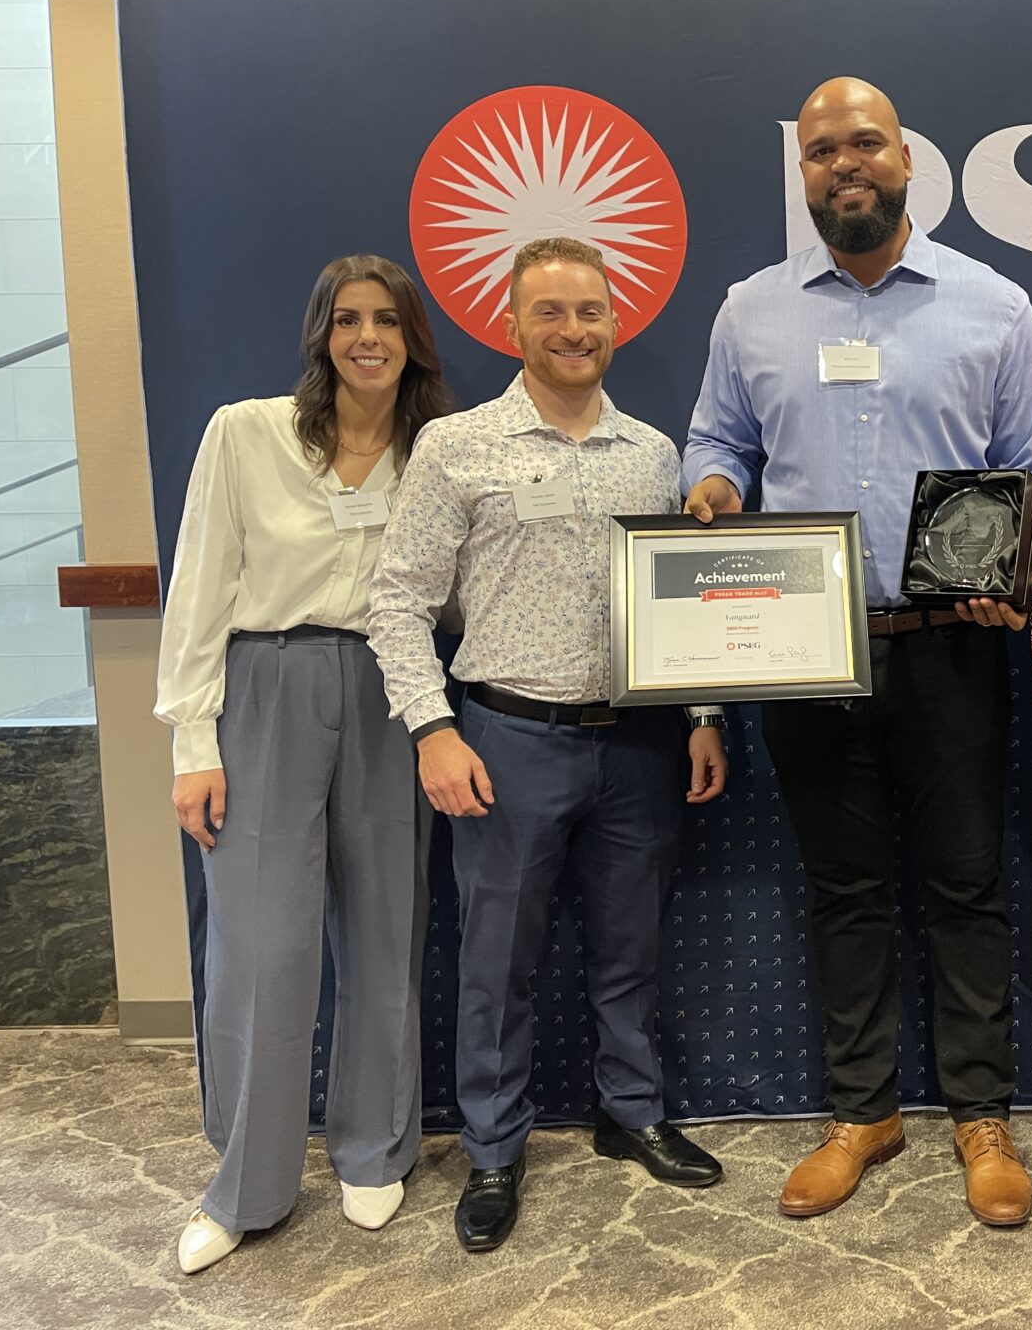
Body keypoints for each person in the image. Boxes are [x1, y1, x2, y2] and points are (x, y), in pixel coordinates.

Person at [682, 76, 1032, 1226]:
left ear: (908, 162)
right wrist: (711, 486)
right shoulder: (750, 310)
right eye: (820, 151)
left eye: (865, 144)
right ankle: (864, 1112)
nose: (844, 164)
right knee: (844, 891)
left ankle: (981, 1117)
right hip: (803, 648)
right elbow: (718, 440)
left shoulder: (993, 304)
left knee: (965, 886)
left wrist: (1011, 571)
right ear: (800, 173)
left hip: (951, 643)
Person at [367, 236, 729, 1254]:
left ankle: (633, 1112)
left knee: (631, 948)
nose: (574, 330)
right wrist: (433, 731)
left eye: (591, 312)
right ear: (511, 324)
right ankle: (493, 1148)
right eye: (551, 313)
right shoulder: (458, 447)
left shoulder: (654, 456)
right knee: (496, 962)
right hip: (505, 738)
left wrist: (703, 719)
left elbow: (686, 606)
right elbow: (395, 603)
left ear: (617, 322)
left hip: (641, 746)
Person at [154, 254, 454, 1273]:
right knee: (260, 950)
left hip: (391, 692)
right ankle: (246, 1183)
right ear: (321, 335)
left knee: (384, 931)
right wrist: (194, 743)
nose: (367, 337)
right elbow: (198, 592)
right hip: (265, 689)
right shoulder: (247, 433)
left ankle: (375, 1150)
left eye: (387, 321)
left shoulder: (439, 453)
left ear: (414, 338)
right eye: (347, 321)